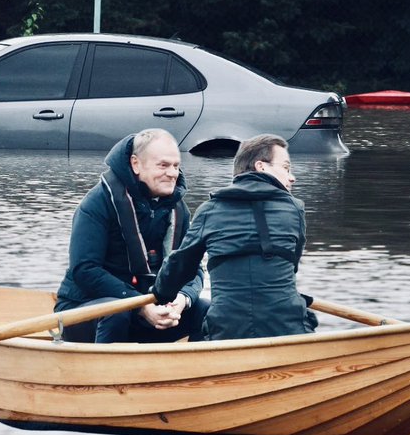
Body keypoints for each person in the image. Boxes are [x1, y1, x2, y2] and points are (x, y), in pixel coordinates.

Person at [152, 134, 317, 341]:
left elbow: (179, 267)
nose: (291, 177)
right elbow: (291, 266)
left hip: (226, 332)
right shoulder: (295, 208)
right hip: (288, 330)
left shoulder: (209, 210)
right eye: (285, 167)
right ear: (261, 166)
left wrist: (161, 294)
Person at [55, 128, 208, 343]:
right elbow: (84, 269)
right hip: (84, 312)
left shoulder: (179, 210)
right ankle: (105, 374)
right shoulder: (97, 203)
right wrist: (140, 305)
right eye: (163, 165)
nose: (172, 173)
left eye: (176, 166)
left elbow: (193, 270)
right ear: (136, 164)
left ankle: (197, 375)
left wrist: (183, 299)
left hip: (146, 310)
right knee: (116, 312)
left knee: (206, 310)